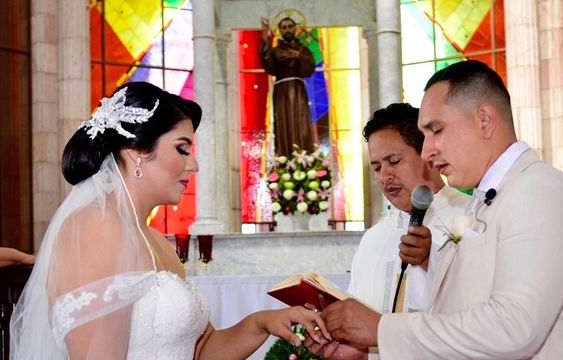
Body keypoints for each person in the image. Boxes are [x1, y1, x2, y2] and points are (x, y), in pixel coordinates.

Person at [10, 82, 329, 360]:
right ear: (136, 151)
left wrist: (262, 322)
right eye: (182, 149)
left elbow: (200, 352)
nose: (194, 165)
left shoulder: (156, 242)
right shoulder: (96, 226)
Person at [315, 60, 563, 359]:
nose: (427, 151)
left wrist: (382, 329)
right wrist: (368, 348)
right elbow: (453, 311)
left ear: (485, 120)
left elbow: (513, 329)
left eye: (436, 130)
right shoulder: (485, 202)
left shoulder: (541, 191)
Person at [345, 103, 470, 359]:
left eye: (394, 161)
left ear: (427, 154)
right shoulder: (373, 238)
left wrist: (429, 262)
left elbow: (480, 303)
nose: (385, 176)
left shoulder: (469, 217)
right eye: (377, 167)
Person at [259, 15, 316, 156]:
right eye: (284, 28)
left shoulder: (303, 50)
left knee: (300, 122)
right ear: (280, 31)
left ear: (295, 28)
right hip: (282, 92)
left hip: (298, 91)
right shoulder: (276, 50)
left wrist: (299, 56)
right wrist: (265, 35)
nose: (288, 30)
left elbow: (310, 69)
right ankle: (285, 156)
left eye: (290, 26)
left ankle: (304, 157)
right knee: (283, 124)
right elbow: (267, 63)